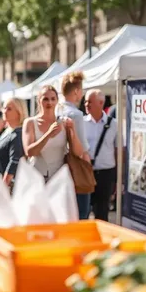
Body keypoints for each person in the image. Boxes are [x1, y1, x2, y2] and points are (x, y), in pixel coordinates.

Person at [23, 86, 84, 182]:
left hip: (59, 178)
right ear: (39, 101)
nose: (49, 103)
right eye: (45, 99)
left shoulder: (64, 123)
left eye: (53, 99)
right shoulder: (30, 123)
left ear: (57, 101)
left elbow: (79, 153)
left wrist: (73, 131)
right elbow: (29, 152)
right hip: (36, 178)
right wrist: (48, 134)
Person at [57, 71, 92, 219]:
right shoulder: (76, 114)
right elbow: (81, 149)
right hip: (75, 168)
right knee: (81, 214)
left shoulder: (55, 110)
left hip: (56, 167)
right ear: (77, 91)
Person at [84, 89, 118, 221]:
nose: (86, 104)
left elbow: (118, 150)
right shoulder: (81, 122)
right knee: (84, 211)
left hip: (106, 174)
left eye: (89, 101)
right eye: (85, 101)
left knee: (102, 212)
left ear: (101, 103)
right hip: (86, 172)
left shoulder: (114, 124)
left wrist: (118, 178)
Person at [0, 98, 27, 188]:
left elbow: (14, 162)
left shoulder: (18, 133)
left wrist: (3, 186)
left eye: (9, 109)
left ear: (19, 112)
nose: (4, 111)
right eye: (4, 107)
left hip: (6, 188)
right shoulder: (8, 130)